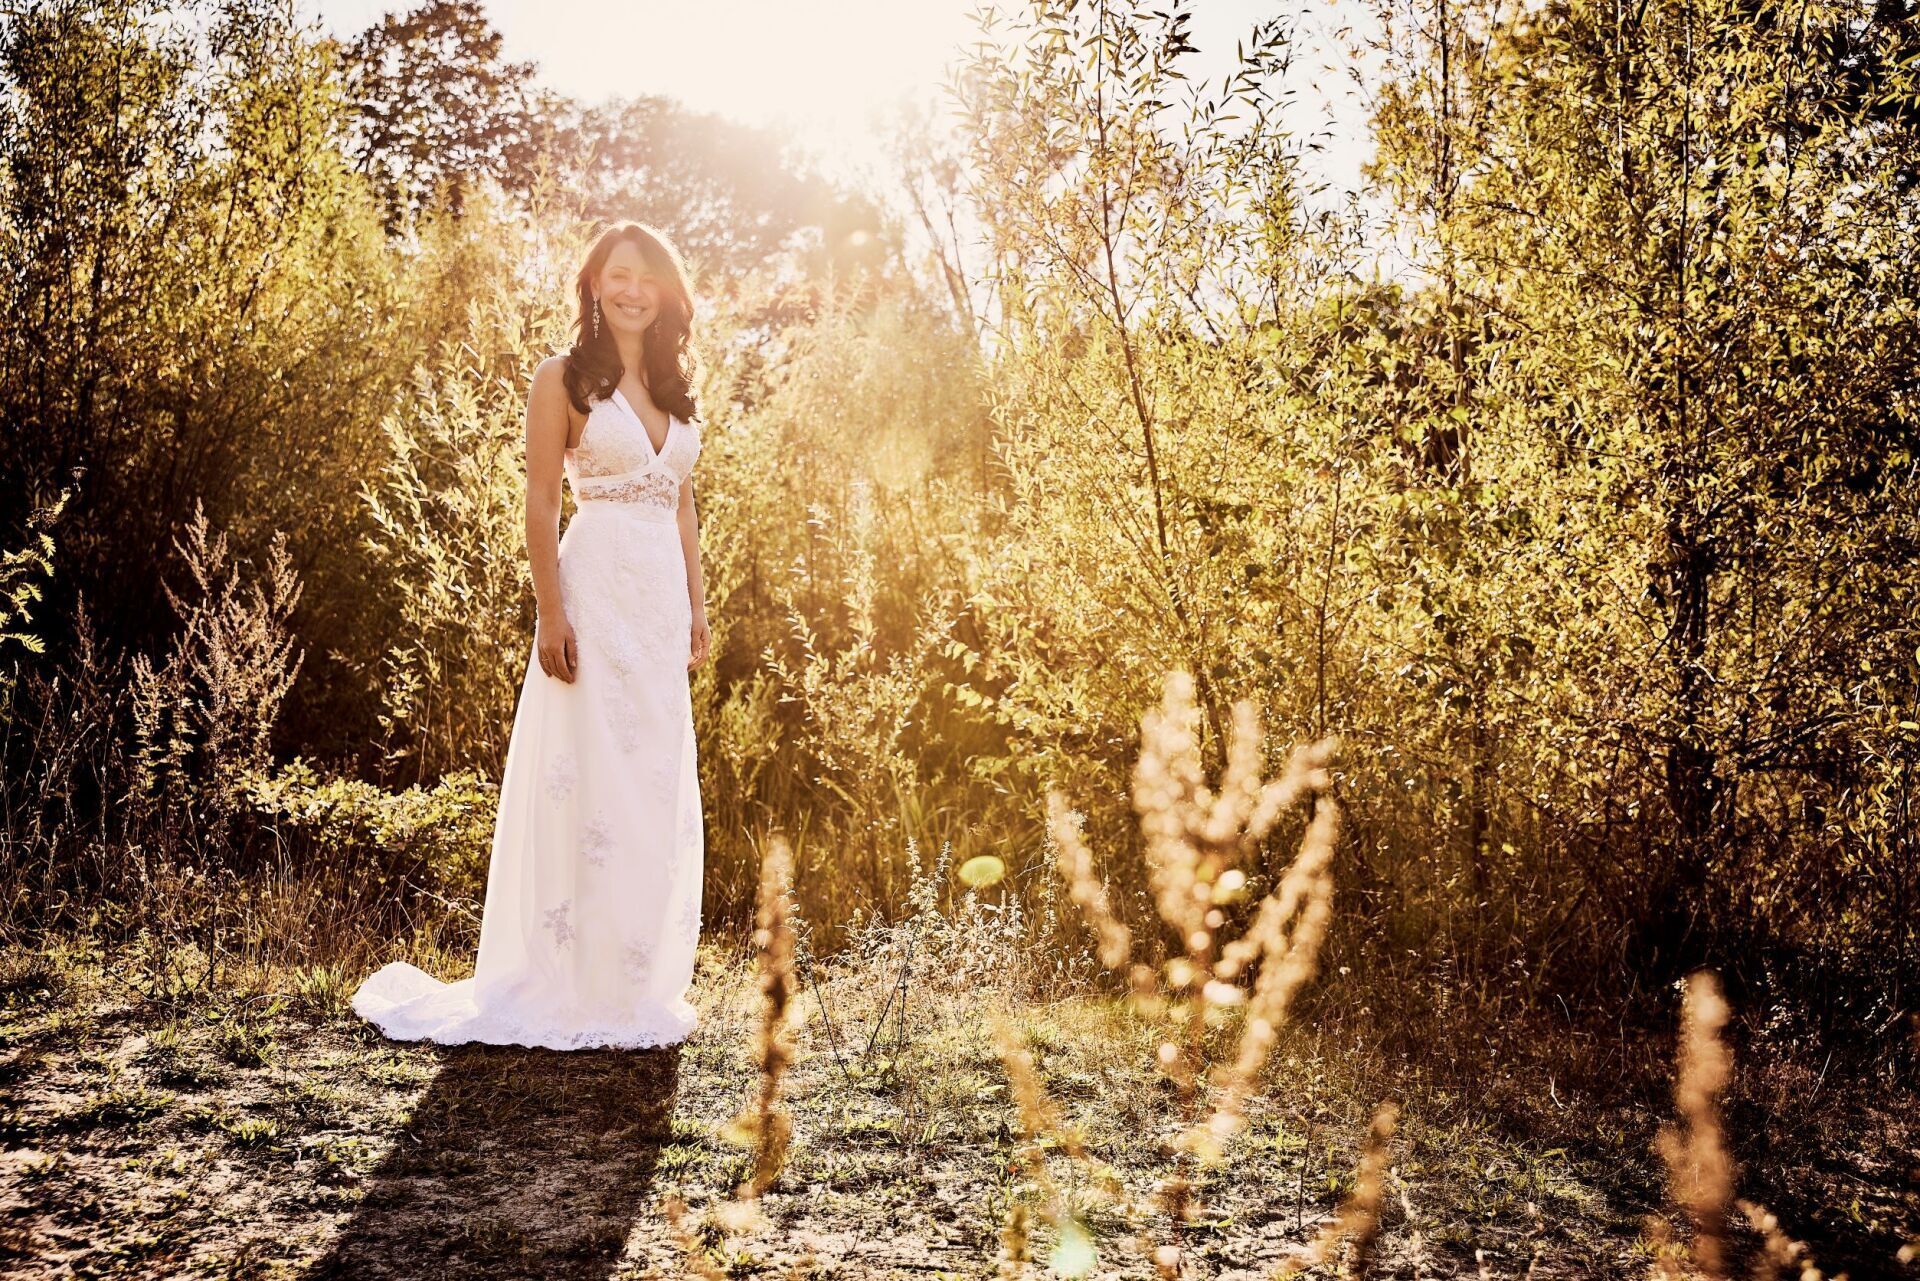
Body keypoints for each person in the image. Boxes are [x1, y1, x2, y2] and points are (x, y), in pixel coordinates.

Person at [351, 221, 711, 1049]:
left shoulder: (676, 389)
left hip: (656, 610)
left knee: (650, 780)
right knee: (586, 779)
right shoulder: (562, 379)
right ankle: (567, 979)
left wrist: (698, 605)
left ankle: (632, 978)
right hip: (591, 596)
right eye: (618, 274)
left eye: (647, 279)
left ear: (665, 295)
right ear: (595, 283)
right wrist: (552, 611)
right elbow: (543, 502)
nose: (631, 290)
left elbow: (684, 502)